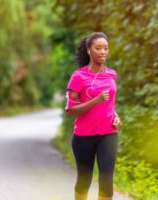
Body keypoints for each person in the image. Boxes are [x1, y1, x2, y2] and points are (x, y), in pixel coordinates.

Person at [65, 32, 123, 200]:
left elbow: (110, 104)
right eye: (98, 48)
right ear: (89, 50)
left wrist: (116, 117)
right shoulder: (78, 77)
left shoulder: (112, 74)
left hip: (108, 134)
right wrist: (95, 101)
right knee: (84, 180)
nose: (103, 52)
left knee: (107, 180)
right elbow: (71, 110)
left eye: (106, 48)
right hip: (84, 136)